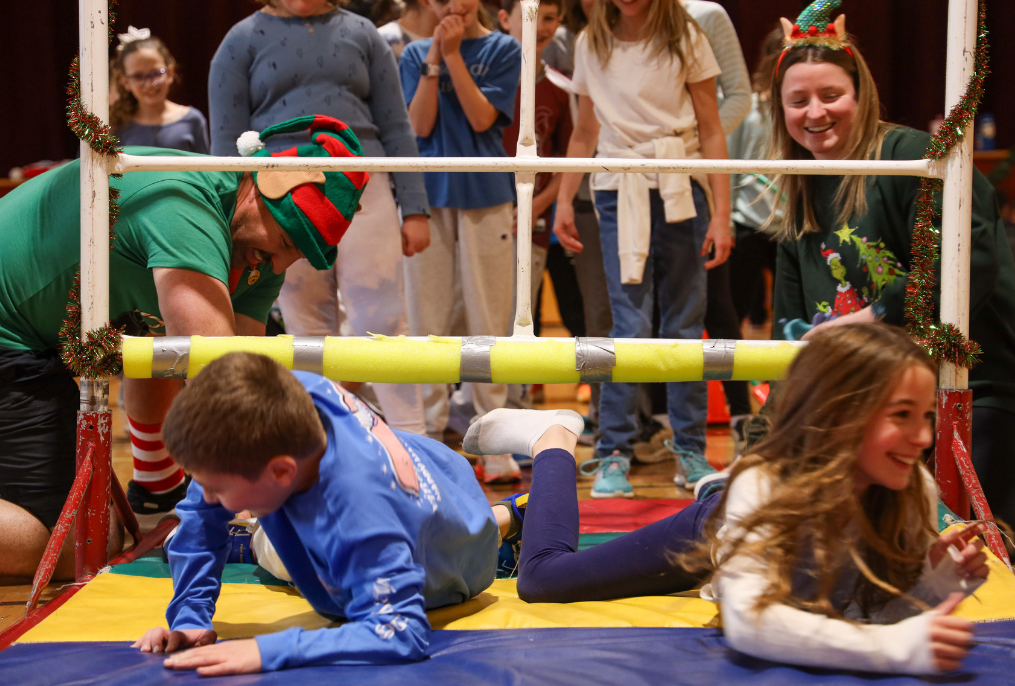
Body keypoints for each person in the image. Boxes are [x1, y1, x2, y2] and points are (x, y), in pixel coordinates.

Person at [467, 323, 991, 675]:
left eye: (925, 416)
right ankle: (554, 442)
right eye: (901, 416)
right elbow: (752, 622)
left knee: (743, 502)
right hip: (720, 525)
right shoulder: (766, 489)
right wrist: (894, 650)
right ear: (842, 416)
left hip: (751, 515)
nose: (923, 438)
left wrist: (934, 583)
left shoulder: (910, 489)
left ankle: (716, 485)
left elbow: (870, 607)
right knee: (544, 579)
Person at [0, 115, 366, 579]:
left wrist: (209, 502)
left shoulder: (255, 241)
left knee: (162, 336)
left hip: (33, 339)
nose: (284, 262)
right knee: (83, 543)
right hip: (11, 337)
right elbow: (223, 385)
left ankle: (157, 489)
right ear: (261, 184)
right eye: (288, 239)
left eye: (301, 252)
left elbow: (238, 372)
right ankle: (163, 492)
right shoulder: (183, 204)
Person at [131, 351, 544, 675]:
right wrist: (190, 616)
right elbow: (201, 515)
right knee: (254, 529)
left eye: (217, 489)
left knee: (285, 560)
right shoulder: (287, 396)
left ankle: (504, 520)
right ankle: (504, 518)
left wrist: (269, 650)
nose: (211, 498)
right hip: (442, 476)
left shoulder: (359, 509)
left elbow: (400, 632)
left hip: (458, 560)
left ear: (281, 471)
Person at [765, 2, 1015, 531]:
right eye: (798, 101)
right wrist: (773, 436)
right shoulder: (797, 195)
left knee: (961, 544)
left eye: (831, 96)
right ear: (779, 110)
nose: (815, 113)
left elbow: (972, 258)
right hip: (870, 407)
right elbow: (789, 338)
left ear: (861, 95)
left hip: (976, 387)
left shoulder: (914, 158)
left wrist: (874, 315)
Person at [209, 0, 430, 436]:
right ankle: (322, 442)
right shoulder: (240, 40)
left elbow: (396, 124)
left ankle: (413, 439)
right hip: (279, 198)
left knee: (383, 319)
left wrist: (415, 206)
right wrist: (227, 221)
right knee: (305, 322)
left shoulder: (363, 33)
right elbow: (224, 143)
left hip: (364, 185)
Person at [553, 0, 732, 497]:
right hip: (617, 187)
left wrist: (721, 209)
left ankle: (690, 449)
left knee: (683, 324)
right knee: (627, 326)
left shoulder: (687, 35)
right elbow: (585, 130)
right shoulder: (593, 40)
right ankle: (613, 452)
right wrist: (565, 198)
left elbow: (711, 125)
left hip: (681, 183)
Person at [399, 0, 522, 482]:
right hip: (428, 199)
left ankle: (493, 443)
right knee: (427, 319)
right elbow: (418, 127)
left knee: (488, 318)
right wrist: (434, 57)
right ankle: (427, 436)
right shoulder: (411, 56)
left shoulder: (503, 48)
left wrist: (452, 56)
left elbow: (480, 118)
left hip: (486, 196)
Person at [726, 27, 783, 329]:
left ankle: (782, 376)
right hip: (747, 222)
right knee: (735, 306)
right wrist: (728, 220)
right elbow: (729, 164)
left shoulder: (799, 110)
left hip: (789, 226)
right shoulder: (748, 108)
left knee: (787, 309)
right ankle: (732, 377)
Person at [109, 27, 210, 154]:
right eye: (138, 76)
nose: (150, 85)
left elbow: (207, 170)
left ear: (170, 73)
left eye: (156, 73)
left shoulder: (193, 120)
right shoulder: (116, 125)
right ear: (125, 82)